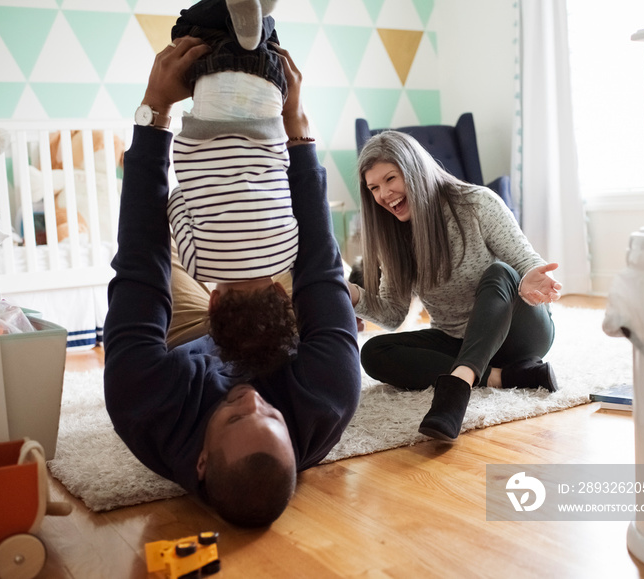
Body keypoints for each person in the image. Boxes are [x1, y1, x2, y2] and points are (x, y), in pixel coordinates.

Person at [103, 37, 361, 528]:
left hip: (180, 344)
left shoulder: (144, 405)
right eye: (272, 416)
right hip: (270, 327)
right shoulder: (327, 399)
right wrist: (298, 128)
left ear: (201, 461)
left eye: (237, 417)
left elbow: (140, 260)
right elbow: (321, 266)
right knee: (268, 255)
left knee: (167, 253)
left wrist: (154, 112)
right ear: (293, 439)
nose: (252, 400)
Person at [346, 130, 562, 442]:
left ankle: (457, 388)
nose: (384, 194)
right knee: (375, 352)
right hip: (459, 341)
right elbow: (392, 315)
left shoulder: (476, 203)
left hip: (519, 334)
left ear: (414, 170)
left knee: (500, 272)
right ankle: (504, 377)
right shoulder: (393, 236)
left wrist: (530, 276)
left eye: (391, 178)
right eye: (374, 188)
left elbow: (524, 259)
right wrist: (353, 295)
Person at [165, 0, 298, 377]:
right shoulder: (199, 263)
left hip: (269, 101)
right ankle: (242, 14)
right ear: (213, 304)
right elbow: (177, 201)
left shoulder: (286, 252)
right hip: (209, 105)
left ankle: (258, 18)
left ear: (281, 293)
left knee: (264, 37)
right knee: (187, 27)